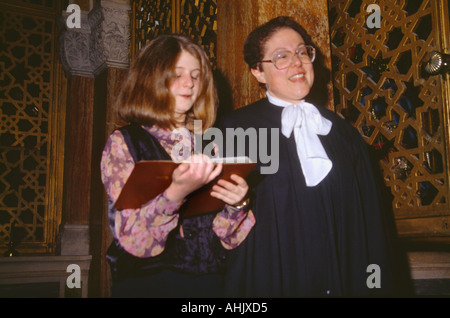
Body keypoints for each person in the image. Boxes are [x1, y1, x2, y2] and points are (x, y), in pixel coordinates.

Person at [217, 16, 410, 297]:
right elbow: (222, 229)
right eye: (281, 56)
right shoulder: (235, 130)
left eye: (302, 52)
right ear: (258, 72)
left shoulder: (344, 133)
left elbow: (371, 224)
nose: (297, 62)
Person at [100, 34, 255, 298]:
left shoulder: (209, 143)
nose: (189, 83)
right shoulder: (125, 143)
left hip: (210, 283)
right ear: (150, 78)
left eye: (196, 75)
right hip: (148, 283)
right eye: (177, 73)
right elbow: (132, 240)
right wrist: (175, 193)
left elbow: (227, 238)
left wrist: (237, 203)